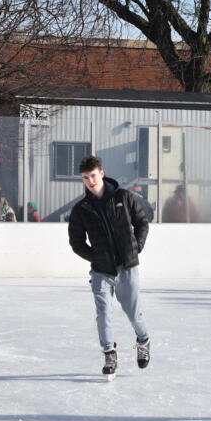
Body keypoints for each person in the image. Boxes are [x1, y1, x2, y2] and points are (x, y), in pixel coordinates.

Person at [68, 155, 151, 378]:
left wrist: (137, 246)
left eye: (93, 176)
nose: (90, 181)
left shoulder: (124, 197)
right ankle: (109, 353)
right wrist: (96, 257)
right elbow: (76, 243)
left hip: (127, 266)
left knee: (133, 313)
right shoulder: (81, 209)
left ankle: (143, 340)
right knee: (103, 313)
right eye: (85, 178)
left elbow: (142, 221)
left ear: (102, 173)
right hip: (101, 271)